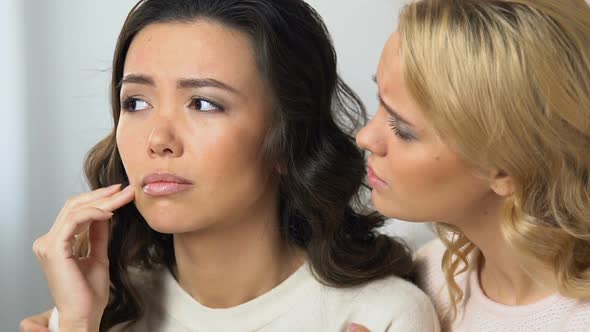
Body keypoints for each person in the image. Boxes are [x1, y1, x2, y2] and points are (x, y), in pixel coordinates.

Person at [23, 0, 440, 331]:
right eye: (136, 102)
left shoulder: (381, 316)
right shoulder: (96, 308)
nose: (158, 140)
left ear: (286, 138)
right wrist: (77, 323)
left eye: (203, 104)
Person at [353, 0, 590, 331]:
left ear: (505, 168)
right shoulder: (427, 275)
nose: (365, 137)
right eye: (380, 101)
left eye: (402, 129)